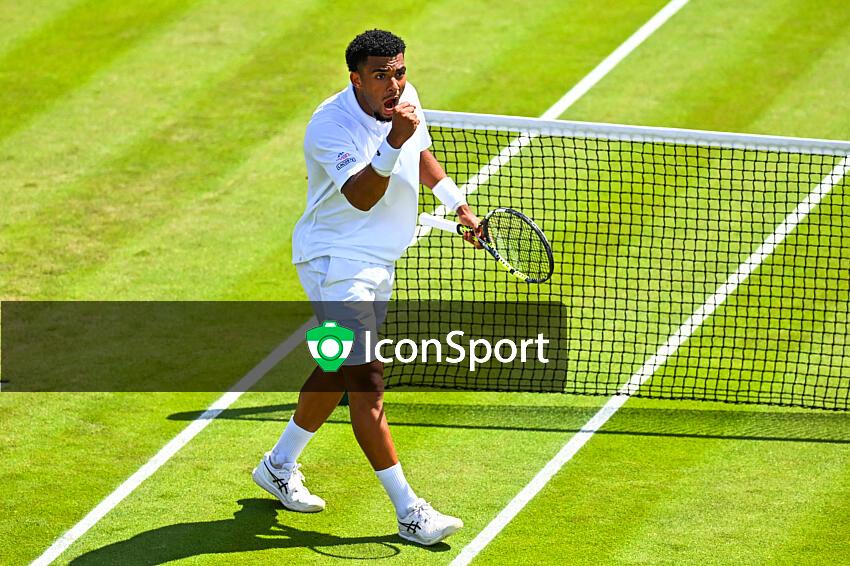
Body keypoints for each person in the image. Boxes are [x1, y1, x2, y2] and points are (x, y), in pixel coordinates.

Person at [252, 29, 480, 546]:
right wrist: (393, 139)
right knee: (367, 381)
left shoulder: (403, 98)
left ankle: (278, 465)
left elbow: (420, 153)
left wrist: (458, 206)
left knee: (337, 366)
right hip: (336, 262)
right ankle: (410, 512)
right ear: (355, 79)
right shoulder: (328, 125)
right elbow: (360, 195)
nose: (394, 84)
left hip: (377, 260)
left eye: (399, 72)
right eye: (380, 76)